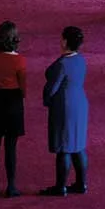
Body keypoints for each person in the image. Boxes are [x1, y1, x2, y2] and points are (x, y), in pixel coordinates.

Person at [41, 26, 88, 196]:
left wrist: (46, 101)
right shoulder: (81, 59)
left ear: (65, 41)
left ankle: (60, 187)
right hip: (80, 104)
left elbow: (52, 89)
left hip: (65, 107)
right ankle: (81, 184)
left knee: (64, 146)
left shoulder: (62, 64)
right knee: (78, 145)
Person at [0, 20, 26, 198]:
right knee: (10, 147)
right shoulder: (19, 60)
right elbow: (23, 86)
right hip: (12, 100)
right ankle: (11, 186)